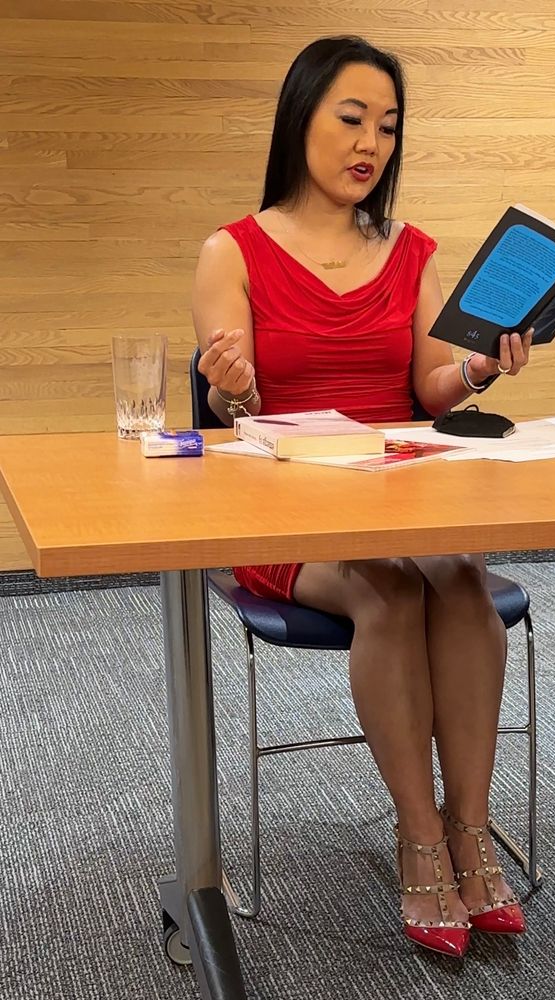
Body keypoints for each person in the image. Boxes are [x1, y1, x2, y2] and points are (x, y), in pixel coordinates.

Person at [193, 35, 533, 959]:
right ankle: (418, 842)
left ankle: (471, 833)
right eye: (350, 118)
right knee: (386, 590)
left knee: (458, 578)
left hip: (399, 489)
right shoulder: (232, 251)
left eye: (386, 127)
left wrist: (470, 368)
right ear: (299, 115)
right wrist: (230, 387)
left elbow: (426, 389)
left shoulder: (413, 249)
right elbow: (236, 407)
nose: (369, 143)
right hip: (287, 503)